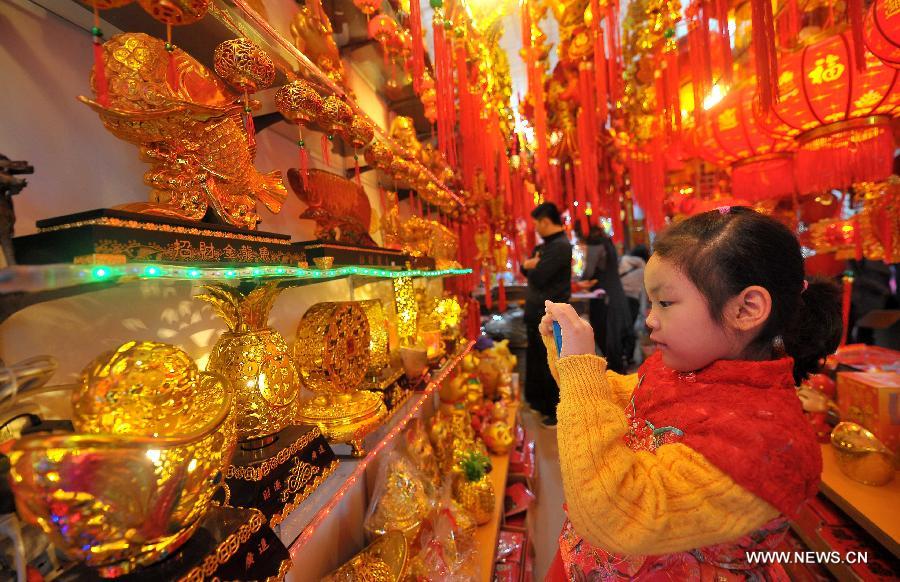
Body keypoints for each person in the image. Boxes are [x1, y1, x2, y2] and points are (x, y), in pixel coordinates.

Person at [541, 207, 841, 580]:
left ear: (746, 309)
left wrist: (581, 372)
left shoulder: (769, 443)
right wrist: (572, 361)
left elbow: (619, 514)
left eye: (665, 303)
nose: (651, 319)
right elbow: (623, 398)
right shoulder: (680, 368)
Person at [520, 202, 572, 427]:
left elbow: (539, 276)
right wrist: (529, 265)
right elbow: (526, 268)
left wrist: (531, 266)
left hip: (550, 316)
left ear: (545, 221)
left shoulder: (560, 246)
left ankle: (554, 410)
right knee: (538, 359)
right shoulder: (546, 246)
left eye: (536, 224)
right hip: (537, 312)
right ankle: (540, 403)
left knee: (551, 362)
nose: (536, 229)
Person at [576, 226, 632, 373]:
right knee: (614, 339)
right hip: (616, 295)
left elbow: (588, 272)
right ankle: (619, 378)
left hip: (604, 299)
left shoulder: (596, 245)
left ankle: (615, 381)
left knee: (607, 338)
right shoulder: (608, 243)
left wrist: (578, 281)